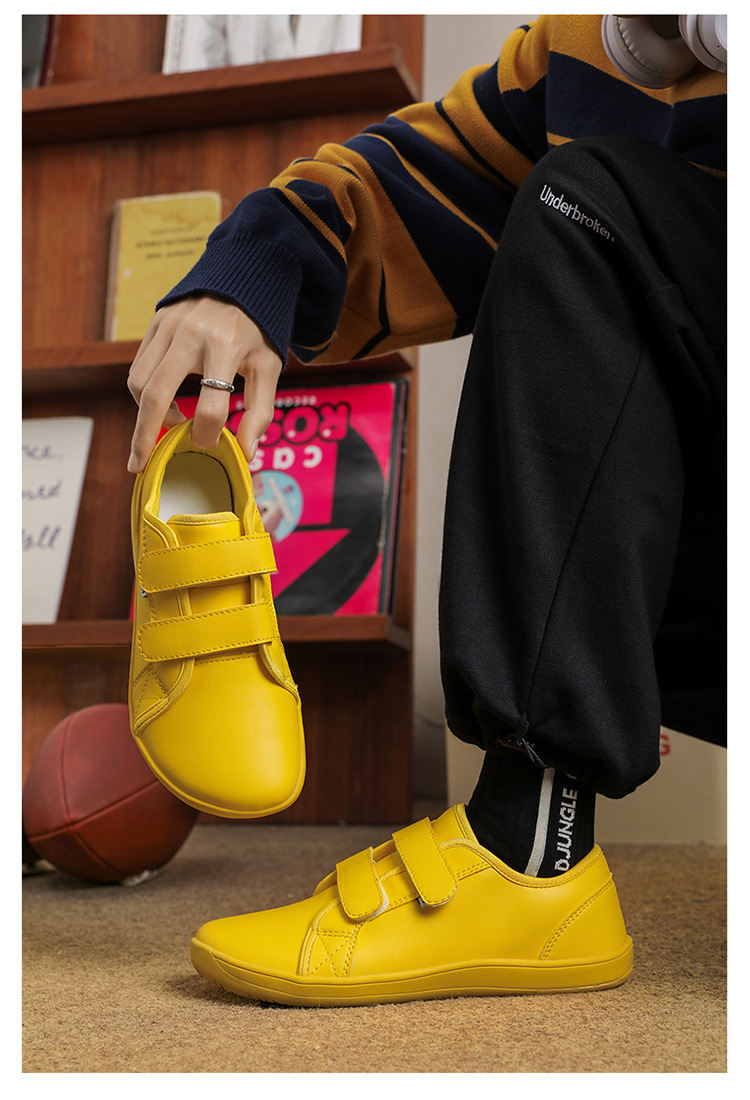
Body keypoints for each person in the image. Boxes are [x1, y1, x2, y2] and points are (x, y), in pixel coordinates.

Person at [127, 15, 726, 1005]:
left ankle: (525, 848)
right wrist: (251, 274)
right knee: (580, 203)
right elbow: (422, 179)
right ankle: (534, 849)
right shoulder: (596, 49)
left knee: (595, 200)